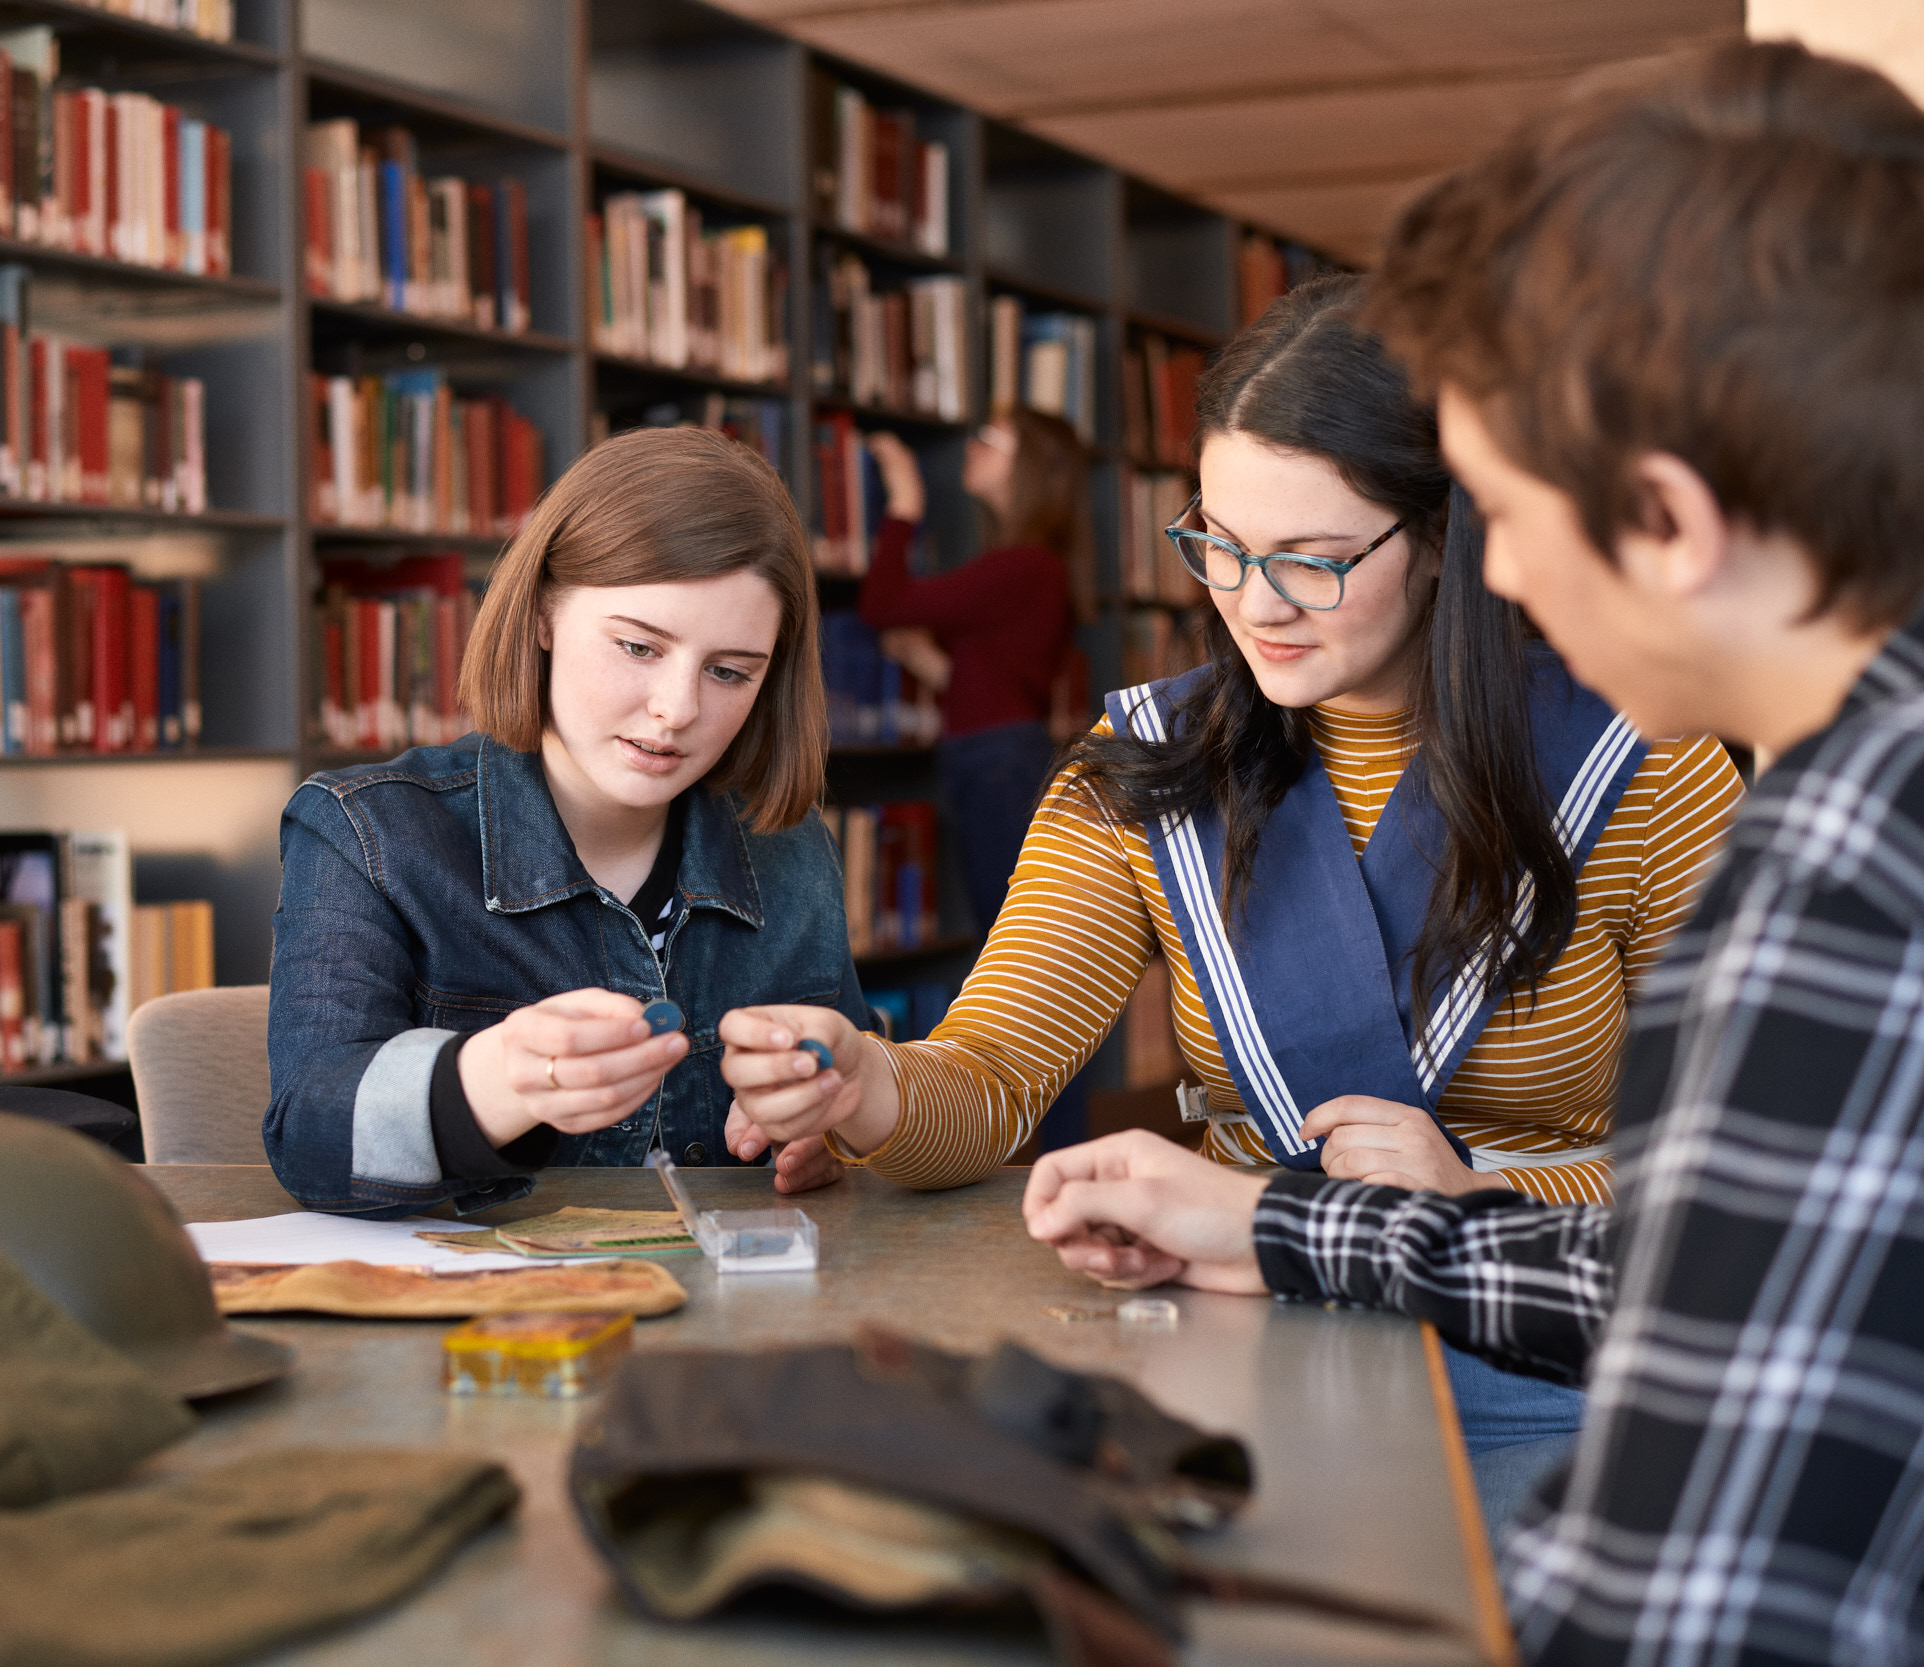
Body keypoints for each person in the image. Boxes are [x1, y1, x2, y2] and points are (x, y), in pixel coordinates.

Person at [1015, 41, 1924, 1664]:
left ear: (1665, 520)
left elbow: (1707, 1595)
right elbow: (1704, 1276)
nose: (1507, 594)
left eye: (1502, 517)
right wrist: (1287, 1223)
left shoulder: (1841, 874)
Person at [721, 274, 1742, 1523]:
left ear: (1441, 539)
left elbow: (1746, 1196)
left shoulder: (1641, 760)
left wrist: (1482, 1194)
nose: (1254, 601)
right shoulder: (1149, 767)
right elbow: (987, 1078)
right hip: (1248, 1358)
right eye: (1218, 543)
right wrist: (865, 1081)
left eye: (1312, 561)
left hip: (1547, 1377)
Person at [266, 427, 870, 1218]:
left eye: (728, 672)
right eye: (638, 646)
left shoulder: (789, 852)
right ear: (545, 611)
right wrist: (500, 1077)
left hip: (733, 1316)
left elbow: (856, 1078)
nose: (677, 709)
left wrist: (827, 1125)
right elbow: (310, 1136)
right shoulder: (365, 833)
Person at [859, 412, 1084, 931]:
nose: (972, 445)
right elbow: (1002, 683)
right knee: (1005, 930)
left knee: (1008, 939)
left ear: (1029, 464)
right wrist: (929, 663)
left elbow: (883, 603)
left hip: (998, 763)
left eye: (990, 438)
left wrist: (905, 499)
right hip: (999, 754)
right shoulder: (1032, 565)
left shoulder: (1024, 565)